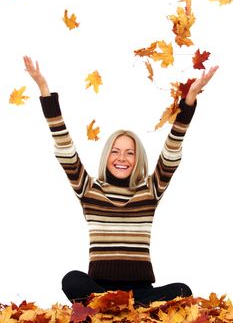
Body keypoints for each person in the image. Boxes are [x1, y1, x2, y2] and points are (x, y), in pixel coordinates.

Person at [23, 55, 218, 305]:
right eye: (115, 151)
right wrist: (44, 91)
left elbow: (171, 151)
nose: (121, 158)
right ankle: (116, 305)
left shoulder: (150, 189)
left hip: (141, 291)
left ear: (137, 158)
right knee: (71, 280)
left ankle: (122, 307)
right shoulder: (89, 189)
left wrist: (189, 100)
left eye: (129, 152)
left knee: (182, 289)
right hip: (98, 289)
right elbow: (65, 150)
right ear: (106, 156)